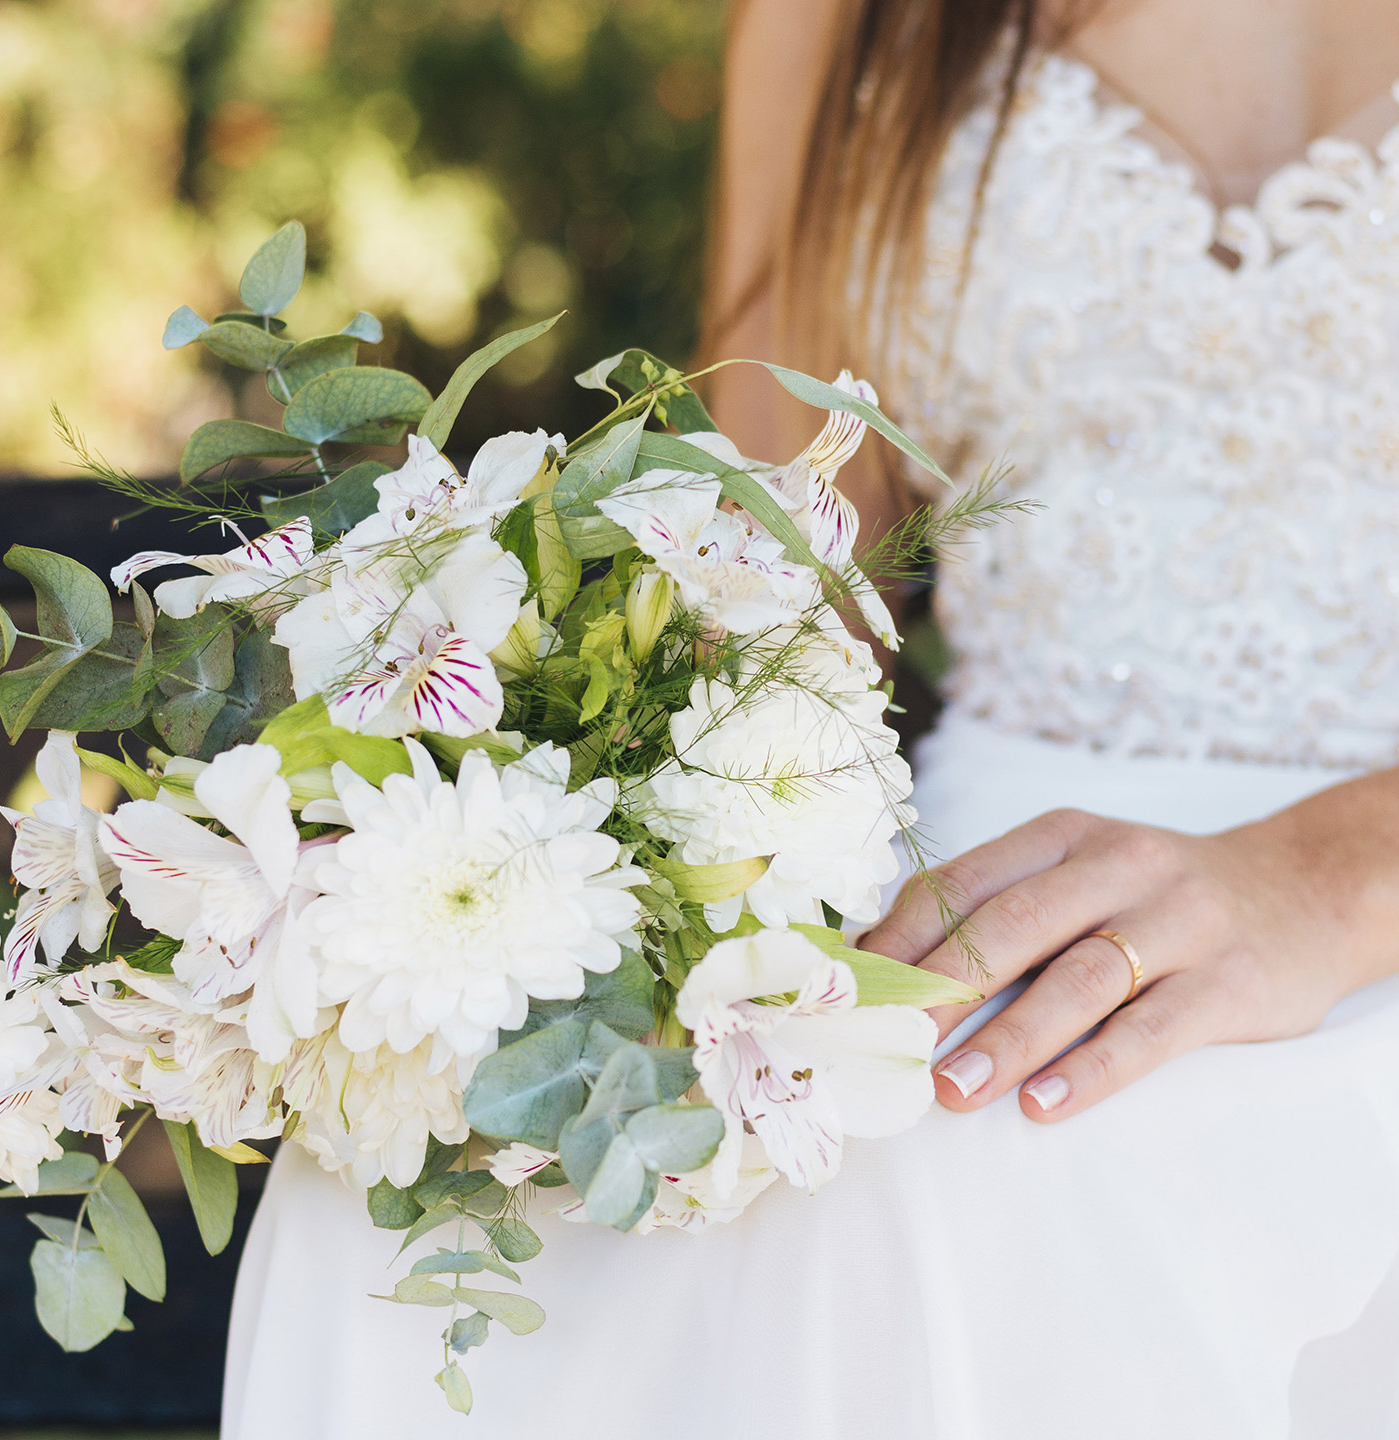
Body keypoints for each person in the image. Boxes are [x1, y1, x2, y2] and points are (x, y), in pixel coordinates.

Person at [223, 1, 1399, 1434]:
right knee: (448, 1166)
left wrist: (1327, 878)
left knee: (984, 1158)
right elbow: (782, 556)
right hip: (965, 873)